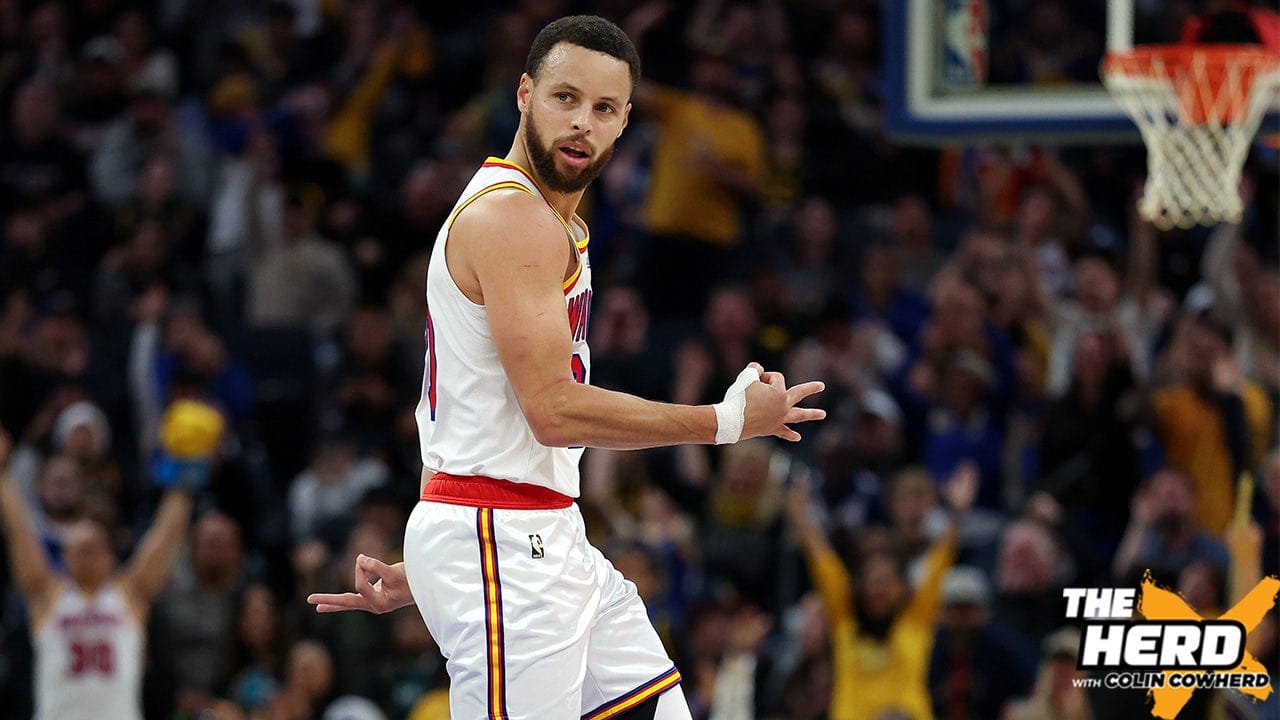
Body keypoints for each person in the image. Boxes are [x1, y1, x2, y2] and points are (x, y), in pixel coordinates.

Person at [306, 15, 825, 720]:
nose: (583, 122)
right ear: (525, 94)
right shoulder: (513, 220)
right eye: (565, 98)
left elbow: (467, 397)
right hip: (502, 538)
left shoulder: (555, 224)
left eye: (604, 108)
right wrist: (726, 421)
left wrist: (439, 562)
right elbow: (552, 410)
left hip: (530, 533)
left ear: (625, 123)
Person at [0, 399, 224, 720]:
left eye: (93, 549)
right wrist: (3, 474)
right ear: (65, 558)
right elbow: (19, 531)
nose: (86, 556)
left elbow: (165, 535)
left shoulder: (129, 593)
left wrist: (185, 477)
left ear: (109, 557)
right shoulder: (46, 594)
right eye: (78, 550)